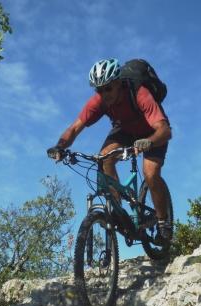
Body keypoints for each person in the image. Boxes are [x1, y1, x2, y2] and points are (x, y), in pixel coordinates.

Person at [48, 58, 172, 242]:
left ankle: (164, 223)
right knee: (104, 158)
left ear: (118, 82)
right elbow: (75, 128)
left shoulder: (139, 93)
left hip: (152, 132)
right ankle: (118, 211)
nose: (104, 94)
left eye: (108, 88)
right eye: (99, 89)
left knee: (150, 173)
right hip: (124, 130)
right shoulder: (99, 101)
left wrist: (149, 142)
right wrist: (60, 146)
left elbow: (164, 130)